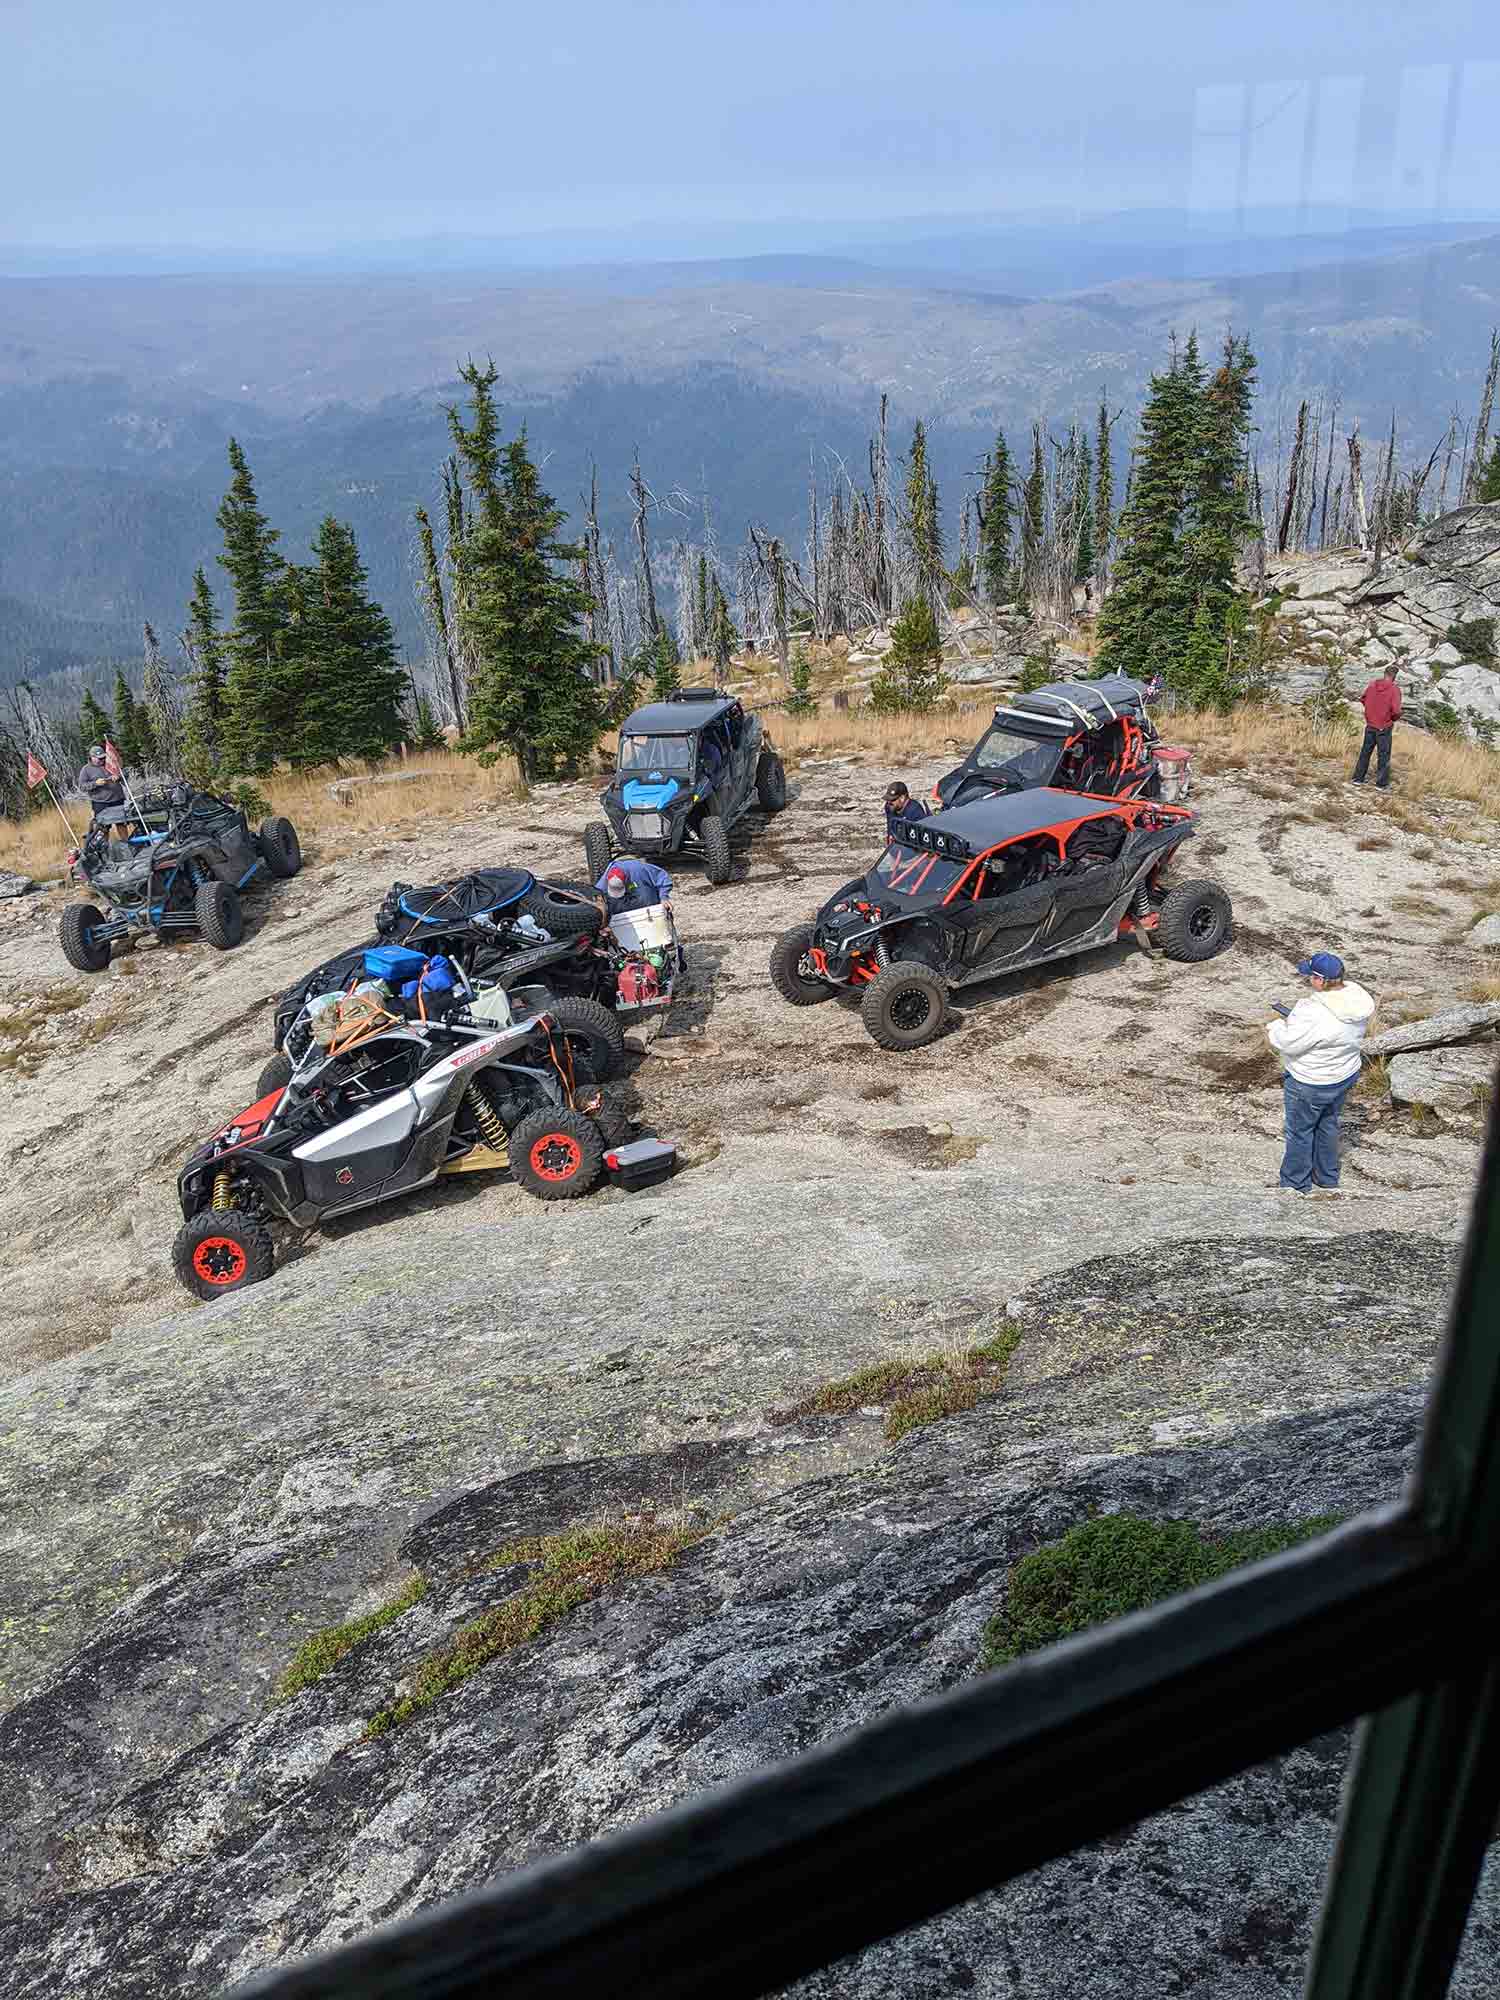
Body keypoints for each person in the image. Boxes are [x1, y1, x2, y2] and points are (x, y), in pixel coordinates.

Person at [1264, 951, 1375, 1196]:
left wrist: (1276, 1026)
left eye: (1310, 976)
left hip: (1311, 1081)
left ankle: (1295, 1186)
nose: (1308, 981)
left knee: (1300, 1132)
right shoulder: (1357, 999)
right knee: (1328, 1123)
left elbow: (1289, 1043)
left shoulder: (1313, 1010)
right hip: (1344, 1073)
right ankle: (1326, 1179)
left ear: (1320, 980)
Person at [1351, 665, 1402, 789]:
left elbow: (1363, 699)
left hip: (1370, 724)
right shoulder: (1394, 689)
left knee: (1365, 752)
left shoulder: (1372, 685)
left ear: (1384, 673)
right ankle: (1381, 784)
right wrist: (1394, 718)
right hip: (1384, 726)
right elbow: (1396, 711)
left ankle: (1358, 778)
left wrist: (1371, 711)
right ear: (1394, 676)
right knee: (1383, 755)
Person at [595, 856, 674, 916]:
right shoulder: (604, 881)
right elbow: (596, 897)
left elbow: (663, 877)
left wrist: (664, 898)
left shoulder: (639, 869)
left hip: (649, 909)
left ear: (626, 880)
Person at [77, 743, 124, 817]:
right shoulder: (86, 769)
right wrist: (96, 783)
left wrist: (118, 777)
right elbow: (82, 786)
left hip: (117, 799)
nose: (102, 760)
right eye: (99, 758)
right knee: (102, 826)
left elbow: (124, 775)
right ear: (92, 757)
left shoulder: (111, 763)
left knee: (121, 823)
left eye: (103, 757)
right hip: (100, 803)